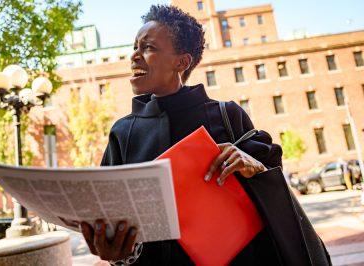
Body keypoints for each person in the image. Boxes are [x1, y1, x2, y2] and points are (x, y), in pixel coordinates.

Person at [80, 5, 331, 266]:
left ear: (182, 62)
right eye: (135, 46)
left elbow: (272, 188)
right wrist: (117, 255)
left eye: (148, 47)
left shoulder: (227, 115)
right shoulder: (122, 133)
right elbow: (115, 231)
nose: (134, 56)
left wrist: (250, 164)